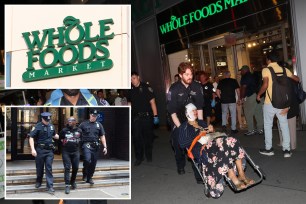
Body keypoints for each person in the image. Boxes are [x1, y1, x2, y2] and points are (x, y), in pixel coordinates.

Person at [179, 103, 255, 198]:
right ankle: (232, 175)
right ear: (187, 113)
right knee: (222, 144)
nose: (195, 112)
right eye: (192, 111)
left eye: (195, 110)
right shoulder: (184, 127)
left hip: (214, 144)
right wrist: (198, 134)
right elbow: (182, 144)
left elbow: (212, 135)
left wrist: (212, 129)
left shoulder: (201, 122)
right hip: (201, 149)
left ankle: (241, 174)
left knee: (232, 140)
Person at [257, 52, 299, 158]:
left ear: (269, 60)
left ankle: (269, 149)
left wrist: (259, 94)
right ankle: (286, 150)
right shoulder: (285, 70)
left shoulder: (266, 70)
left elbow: (265, 84)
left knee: (267, 125)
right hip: (284, 103)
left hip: (269, 103)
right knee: (284, 126)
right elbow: (297, 79)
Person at [167, 62, 204, 178]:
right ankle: (180, 165)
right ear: (180, 75)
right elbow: (172, 112)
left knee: (196, 144)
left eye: (191, 74)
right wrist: (181, 128)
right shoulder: (174, 89)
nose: (190, 76)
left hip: (193, 120)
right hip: (177, 120)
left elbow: (200, 108)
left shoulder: (197, 87)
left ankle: (198, 174)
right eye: (187, 74)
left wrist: (201, 125)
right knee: (179, 145)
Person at [127, 71, 159, 166]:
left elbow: (153, 103)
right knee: (136, 138)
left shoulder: (146, 88)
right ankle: (139, 157)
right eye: (130, 79)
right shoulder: (130, 89)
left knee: (148, 138)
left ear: (138, 77)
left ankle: (148, 155)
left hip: (147, 117)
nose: (132, 80)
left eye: (134, 78)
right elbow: (129, 103)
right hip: (136, 117)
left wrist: (155, 116)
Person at [29, 112, 59, 194]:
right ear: (42, 119)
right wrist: (33, 149)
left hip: (49, 151)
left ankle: (50, 186)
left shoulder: (51, 126)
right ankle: (39, 181)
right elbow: (31, 137)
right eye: (46, 120)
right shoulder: (37, 126)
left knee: (49, 168)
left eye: (48, 120)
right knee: (40, 167)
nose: (47, 122)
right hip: (40, 150)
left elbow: (54, 135)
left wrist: (57, 136)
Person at [79, 109, 107, 184]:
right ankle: (85, 174)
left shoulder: (99, 125)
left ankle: (90, 177)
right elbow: (78, 134)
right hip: (86, 145)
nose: (94, 117)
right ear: (90, 115)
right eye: (93, 115)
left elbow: (102, 136)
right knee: (87, 160)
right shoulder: (83, 124)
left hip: (95, 146)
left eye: (95, 116)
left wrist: (105, 147)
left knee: (93, 163)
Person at [59, 117, 82, 194]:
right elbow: (60, 138)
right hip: (66, 152)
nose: (69, 122)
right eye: (68, 121)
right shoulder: (64, 130)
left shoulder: (79, 130)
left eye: (71, 121)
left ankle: (73, 181)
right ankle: (67, 185)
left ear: (75, 122)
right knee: (67, 168)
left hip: (75, 152)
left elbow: (81, 139)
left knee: (76, 167)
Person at [239, 65, 264, 135]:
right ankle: (260, 129)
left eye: (241, 71)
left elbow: (243, 87)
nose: (241, 72)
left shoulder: (245, 76)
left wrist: (241, 98)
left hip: (250, 96)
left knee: (248, 113)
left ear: (244, 70)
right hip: (258, 96)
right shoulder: (255, 75)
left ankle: (251, 130)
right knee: (258, 113)